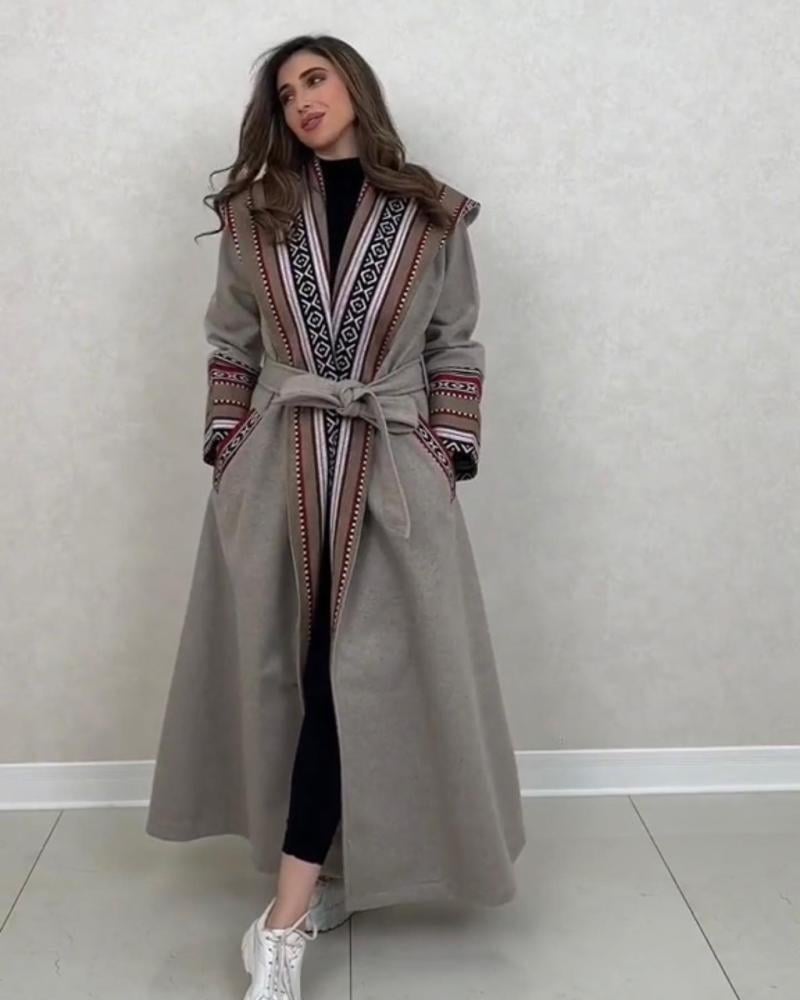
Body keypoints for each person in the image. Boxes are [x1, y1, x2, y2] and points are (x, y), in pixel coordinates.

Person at [146, 32, 526, 1000]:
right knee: (300, 679)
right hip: (279, 476)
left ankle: (282, 920)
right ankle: (308, 892)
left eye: (315, 79)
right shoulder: (254, 215)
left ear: (353, 84)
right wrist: (228, 445)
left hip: (393, 478)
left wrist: (446, 453)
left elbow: (454, 342)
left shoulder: (432, 214)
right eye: (285, 94)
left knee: (357, 680)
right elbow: (231, 340)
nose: (302, 101)